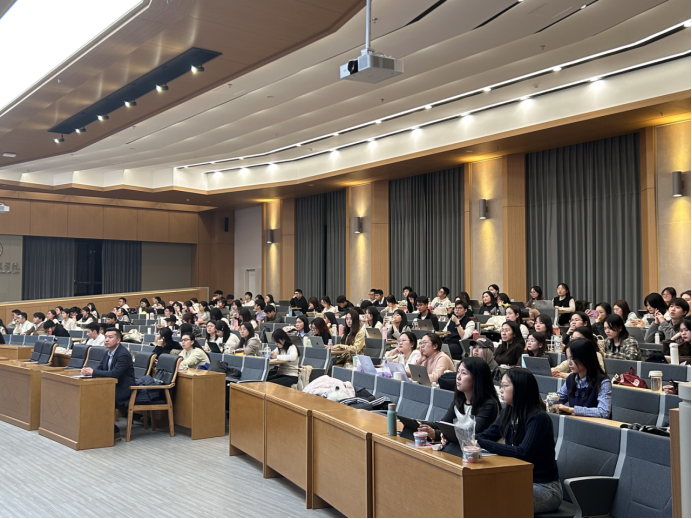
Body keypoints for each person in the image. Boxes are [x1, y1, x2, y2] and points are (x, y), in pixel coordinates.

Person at [478, 369, 561, 514]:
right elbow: (485, 436)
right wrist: (462, 436)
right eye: (501, 386)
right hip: (518, 480)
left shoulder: (538, 418)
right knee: (479, 490)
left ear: (520, 388)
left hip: (545, 488)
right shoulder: (507, 412)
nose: (500, 390)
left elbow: (522, 453)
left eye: (505, 386)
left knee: (495, 500)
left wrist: (481, 442)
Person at [418, 357, 501, 444]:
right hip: (459, 446)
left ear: (477, 378)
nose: (458, 377)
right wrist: (420, 423)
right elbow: (443, 424)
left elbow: (471, 434)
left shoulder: (489, 404)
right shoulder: (460, 399)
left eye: (464, 373)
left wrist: (436, 434)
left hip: (476, 449)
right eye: (458, 372)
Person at [80, 328, 135, 442]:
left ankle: (113, 431)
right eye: (105, 337)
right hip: (110, 387)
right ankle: (95, 428)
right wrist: (89, 371)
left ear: (118, 340)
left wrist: (93, 372)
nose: (106, 340)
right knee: (87, 395)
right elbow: (101, 367)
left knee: (98, 399)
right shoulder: (107, 352)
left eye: (110, 337)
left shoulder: (123, 354)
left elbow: (115, 374)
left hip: (123, 389)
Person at [557, 339, 612, 419]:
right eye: (567, 358)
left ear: (586, 358)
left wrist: (572, 410)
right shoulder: (571, 379)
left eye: (573, 358)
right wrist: (545, 402)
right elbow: (558, 399)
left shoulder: (603, 382)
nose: (569, 362)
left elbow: (603, 412)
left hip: (595, 425)